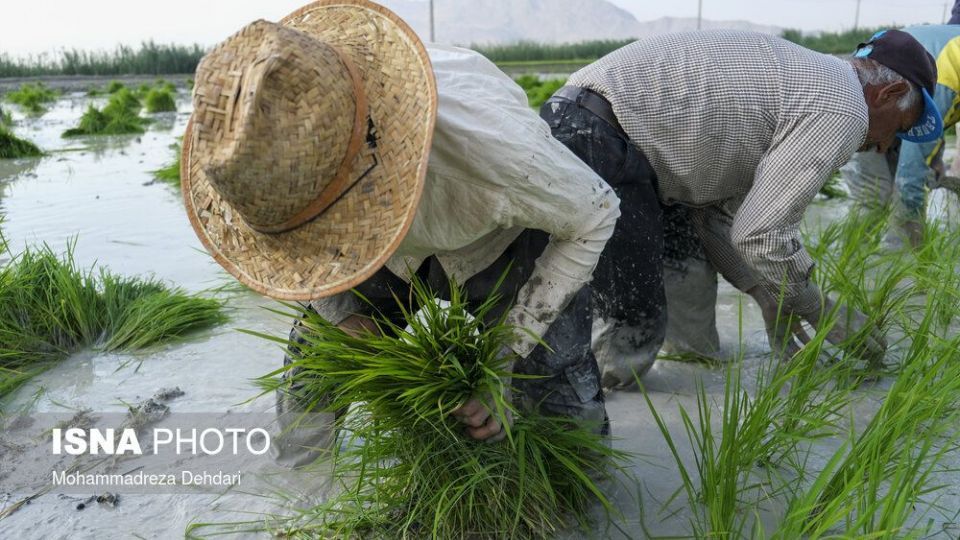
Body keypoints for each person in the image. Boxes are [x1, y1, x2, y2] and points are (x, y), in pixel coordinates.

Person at [179, 0, 620, 465]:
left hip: (500, 239)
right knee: (316, 362)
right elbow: (288, 261)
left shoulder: (497, 151)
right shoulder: (257, 160)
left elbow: (596, 213)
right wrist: (340, 314)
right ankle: (300, 494)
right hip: (375, 257)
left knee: (556, 393)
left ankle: (576, 501)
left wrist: (505, 353)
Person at [541, 29, 941, 388]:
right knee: (633, 324)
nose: (886, 146)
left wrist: (767, 294)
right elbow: (762, 235)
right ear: (887, 94)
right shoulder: (844, 108)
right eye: (899, 127)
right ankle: (578, 417)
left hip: (616, 141)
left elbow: (719, 218)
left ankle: (668, 378)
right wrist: (821, 310)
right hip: (599, 135)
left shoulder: (806, 84)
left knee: (690, 327)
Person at [841, 26, 960, 248]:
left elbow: (937, 122)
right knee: (875, 194)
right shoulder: (950, 70)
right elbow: (911, 173)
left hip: (906, 103)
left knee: (911, 180)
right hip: (873, 102)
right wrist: (914, 258)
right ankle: (856, 266)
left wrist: (935, 160)